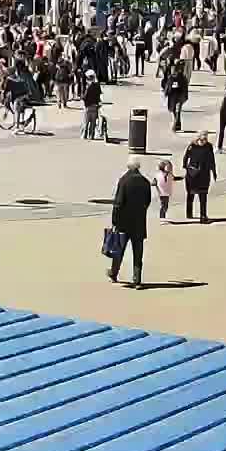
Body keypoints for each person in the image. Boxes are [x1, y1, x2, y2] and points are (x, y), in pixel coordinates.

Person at [109, 155, 153, 288]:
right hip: (139, 222)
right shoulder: (145, 181)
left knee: (119, 249)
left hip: (124, 222)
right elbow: (147, 201)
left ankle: (114, 273)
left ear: (128, 166)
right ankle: (137, 279)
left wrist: (115, 221)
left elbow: (118, 203)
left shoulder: (124, 181)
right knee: (138, 251)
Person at [183, 131, 216, 223]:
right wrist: (185, 168)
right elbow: (185, 158)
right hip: (193, 174)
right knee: (190, 194)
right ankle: (189, 213)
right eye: (201, 139)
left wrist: (214, 171)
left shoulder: (209, 146)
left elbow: (212, 159)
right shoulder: (192, 146)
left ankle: (203, 215)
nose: (203, 141)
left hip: (204, 174)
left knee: (203, 195)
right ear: (197, 139)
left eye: (205, 139)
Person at [163, 63, 188, 133]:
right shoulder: (179, 77)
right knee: (176, 110)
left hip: (178, 96)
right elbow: (168, 85)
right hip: (174, 96)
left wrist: (166, 93)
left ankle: (175, 124)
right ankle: (177, 125)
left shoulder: (181, 77)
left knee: (176, 110)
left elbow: (168, 86)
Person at [81, 73, 102, 140]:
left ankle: (85, 135)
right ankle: (91, 136)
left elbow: (85, 97)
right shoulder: (97, 86)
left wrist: (83, 98)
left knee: (86, 122)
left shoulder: (89, 87)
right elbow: (99, 95)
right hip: (95, 106)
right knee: (93, 122)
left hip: (88, 106)